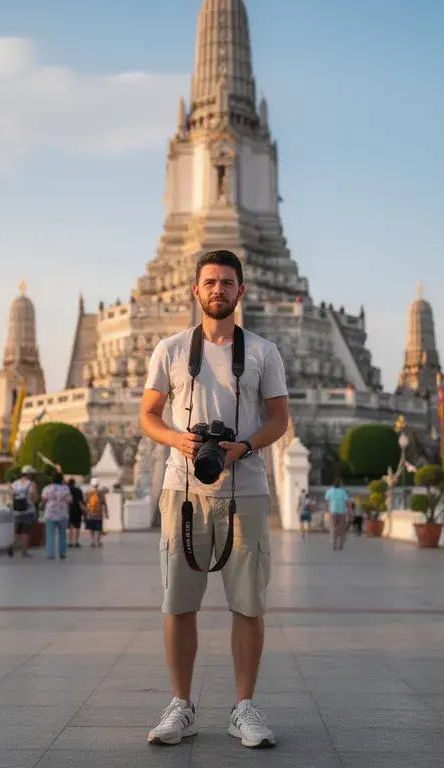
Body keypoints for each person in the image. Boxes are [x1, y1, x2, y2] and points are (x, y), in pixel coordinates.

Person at [139, 249, 290, 749]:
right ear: (195, 290)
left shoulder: (264, 352)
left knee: (248, 604)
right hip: (182, 490)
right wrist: (177, 440)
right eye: (210, 282)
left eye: (227, 282)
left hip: (246, 489)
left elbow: (279, 420)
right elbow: (148, 415)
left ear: (240, 291)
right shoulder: (170, 349)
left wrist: (242, 447)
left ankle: (243, 707)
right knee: (178, 602)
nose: (218, 290)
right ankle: (181, 705)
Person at [8, 466, 39, 558]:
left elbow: (11, 495)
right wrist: (34, 500)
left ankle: (12, 546)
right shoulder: (31, 484)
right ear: (29, 474)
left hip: (17, 511)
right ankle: (24, 551)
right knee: (26, 532)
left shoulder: (15, 484)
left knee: (17, 531)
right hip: (28, 511)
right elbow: (34, 497)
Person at [41, 473, 71, 560]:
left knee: (50, 534)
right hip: (62, 513)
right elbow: (69, 500)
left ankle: (50, 554)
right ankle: (62, 553)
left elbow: (43, 500)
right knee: (62, 534)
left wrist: (45, 507)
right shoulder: (66, 488)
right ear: (61, 480)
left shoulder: (47, 488)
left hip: (50, 513)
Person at [323, 479, 350, 551]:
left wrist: (326, 511)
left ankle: (334, 543)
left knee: (332, 528)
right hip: (342, 512)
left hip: (332, 512)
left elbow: (326, 502)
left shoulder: (329, 491)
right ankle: (341, 544)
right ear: (340, 484)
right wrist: (349, 511)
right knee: (342, 529)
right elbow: (347, 502)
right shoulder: (343, 491)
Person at [84, 482, 108, 547]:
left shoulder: (88, 492)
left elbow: (85, 501)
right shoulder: (101, 492)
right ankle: (98, 541)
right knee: (99, 528)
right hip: (98, 514)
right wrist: (106, 513)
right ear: (98, 484)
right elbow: (104, 503)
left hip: (90, 514)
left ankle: (92, 541)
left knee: (91, 528)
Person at [67, 478, 85, 548]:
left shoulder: (67, 490)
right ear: (74, 483)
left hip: (69, 510)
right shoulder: (78, 490)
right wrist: (83, 509)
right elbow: (80, 501)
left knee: (70, 527)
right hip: (77, 510)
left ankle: (70, 542)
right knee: (77, 527)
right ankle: (76, 542)